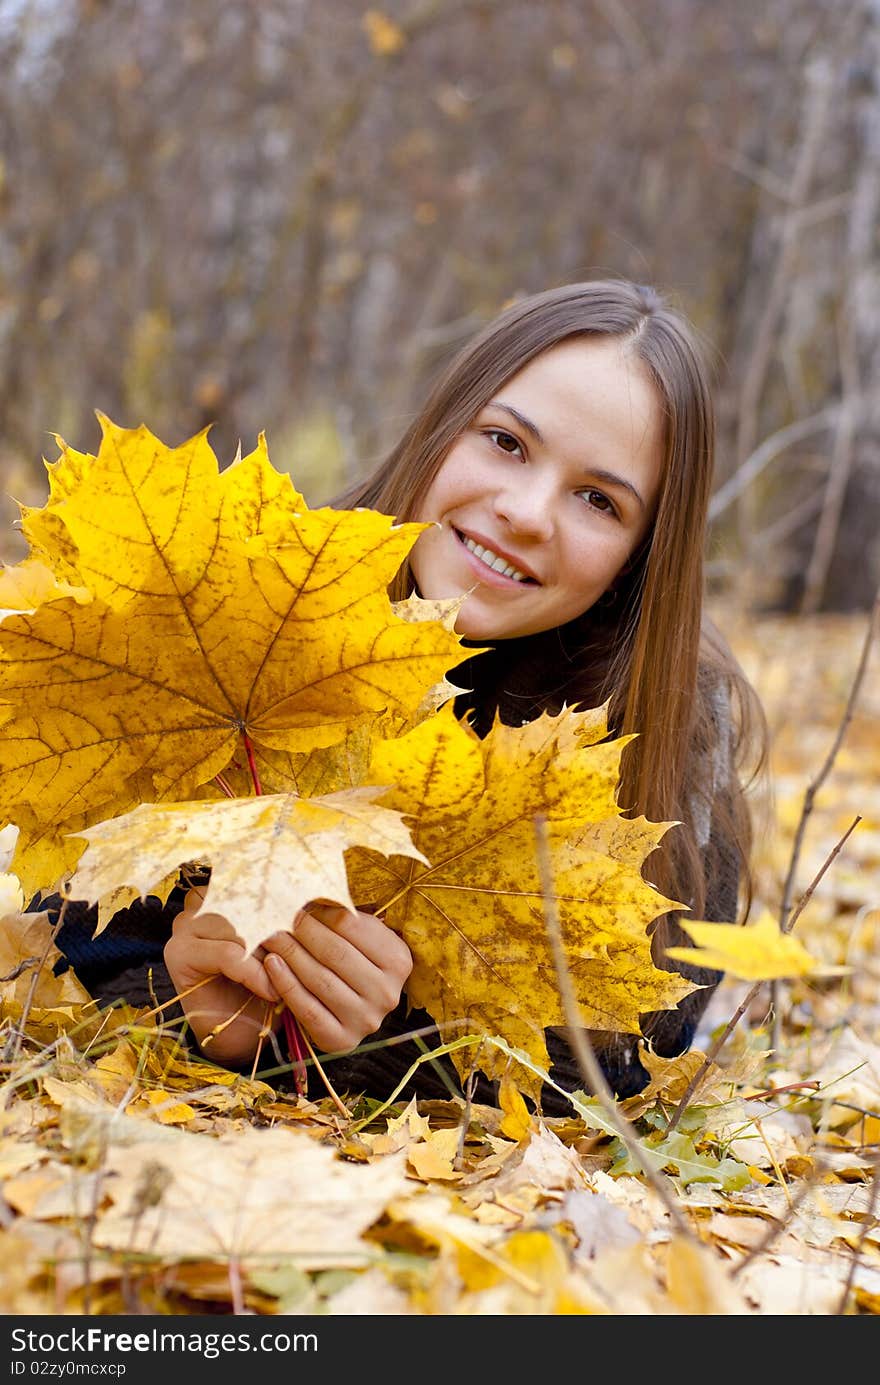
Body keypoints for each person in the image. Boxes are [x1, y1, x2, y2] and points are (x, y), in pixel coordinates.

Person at [53, 278, 767, 1112]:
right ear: (442, 428)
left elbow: (635, 1057)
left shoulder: (671, 731)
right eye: (505, 442)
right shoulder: (258, 608)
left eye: (598, 500)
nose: (526, 511)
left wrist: (377, 1039)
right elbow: (57, 931)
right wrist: (183, 1006)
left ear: (639, 557)